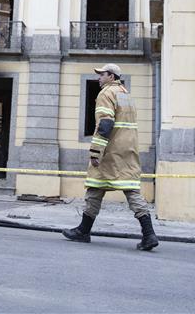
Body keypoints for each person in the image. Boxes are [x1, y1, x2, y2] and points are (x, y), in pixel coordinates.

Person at [62, 63, 159, 251]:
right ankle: (149, 234)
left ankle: (84, 230)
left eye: (102, 74)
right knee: (129, 189)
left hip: (110, 151)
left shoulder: (106, 94)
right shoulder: (126, 94)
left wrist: (96, 152)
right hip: (128, 150)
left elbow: (105, 125)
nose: (99, 78)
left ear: (112, 77)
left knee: (95, 185)